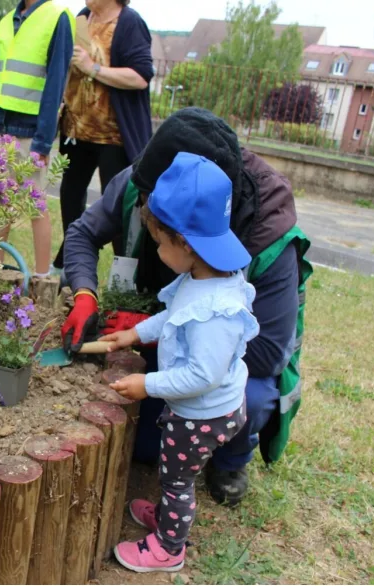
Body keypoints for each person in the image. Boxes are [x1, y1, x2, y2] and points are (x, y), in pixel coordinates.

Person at [61, 108, 313, 506]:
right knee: (145, 449)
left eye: (157, 224)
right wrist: (84, 294)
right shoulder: (151, 177)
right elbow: (82, 234)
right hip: (171, 338)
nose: (146, 216)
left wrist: (155, 333)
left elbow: (266, 354)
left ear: (190, 236)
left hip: (221, 364)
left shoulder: (268, 227)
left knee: (252, 395)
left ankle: (231, 458)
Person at [101, 152, 259, 572]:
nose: (155, 248)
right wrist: (136, 333)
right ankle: (170, 513)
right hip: (205, 407)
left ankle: (170, 547)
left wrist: (147, 385)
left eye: (158, 241)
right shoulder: (206, 276)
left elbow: (201, 375)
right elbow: (173, 315)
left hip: (202, 414)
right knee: (176, 478)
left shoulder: (216, 311)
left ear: (184, 242)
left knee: (176, 479)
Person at [52, 0, 152, 272]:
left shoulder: (129, 22)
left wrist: (92, 67)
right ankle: (70, 268)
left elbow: (141, 76)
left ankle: (124, 280)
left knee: (121, 208)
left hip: (114, 137)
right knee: (70, 199)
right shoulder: (82, 18)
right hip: (77, 132)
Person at [0, 0, 74, 279]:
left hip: (30, 131)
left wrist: (44, 141)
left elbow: (56, 82)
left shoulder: (57, 17)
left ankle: (41, 277)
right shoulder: (6, 21)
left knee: (36, 206)